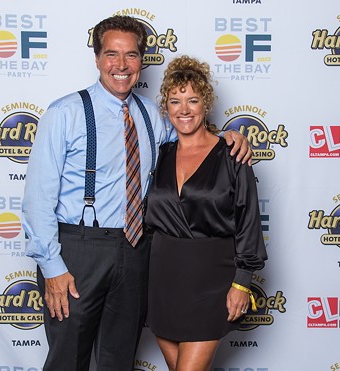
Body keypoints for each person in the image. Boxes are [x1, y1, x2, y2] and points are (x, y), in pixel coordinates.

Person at [21, 16, 252, 371]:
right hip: (78, 253)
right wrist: (52, 268)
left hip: (136, 253)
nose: (121, 65)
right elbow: (37, 198)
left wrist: (229, 139)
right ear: (96, 58)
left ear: (141, 61)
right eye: (112, 54)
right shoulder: (64, 112)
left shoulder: (152, 115)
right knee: (68, 360)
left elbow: (194, 142)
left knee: (119, 359)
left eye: (131, 55)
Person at [145, 55, 268, 371]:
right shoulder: (158, 154)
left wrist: (242, 282)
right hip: (161, 281)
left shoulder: (232, 154)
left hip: (211, 281)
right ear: (166, 107)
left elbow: (248, 220)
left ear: (206, 104)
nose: (184, 109)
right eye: (175, 101)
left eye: (192, 100)